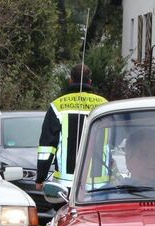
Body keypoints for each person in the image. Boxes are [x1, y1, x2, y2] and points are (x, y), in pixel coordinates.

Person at [35, 63, 108, 192]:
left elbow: (47, 147)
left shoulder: (57, 106)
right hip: (98, 186)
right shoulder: (104, 106)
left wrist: (40, 178)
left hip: (65, 185)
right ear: (90, 82)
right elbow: (115, 141)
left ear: (70, 80)